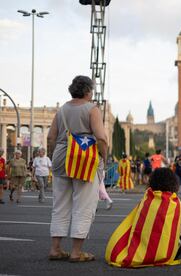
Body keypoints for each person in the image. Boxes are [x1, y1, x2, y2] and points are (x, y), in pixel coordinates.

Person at [47, 75, 108, 262]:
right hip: (84, 158)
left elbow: (51, 138)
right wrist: (104, 159)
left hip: (61, 156)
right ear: (88, 91)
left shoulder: (62, 110)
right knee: (84, 204)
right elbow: (101, 138)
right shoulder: (92, 109)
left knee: (60, 205)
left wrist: (53, 156)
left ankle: (55, 249)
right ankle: (76, 252)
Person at [105, 168, 181, 268]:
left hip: (144, 245)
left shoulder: (146, 199)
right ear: (174, 183)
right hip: (166, 251)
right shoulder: (175, 203)